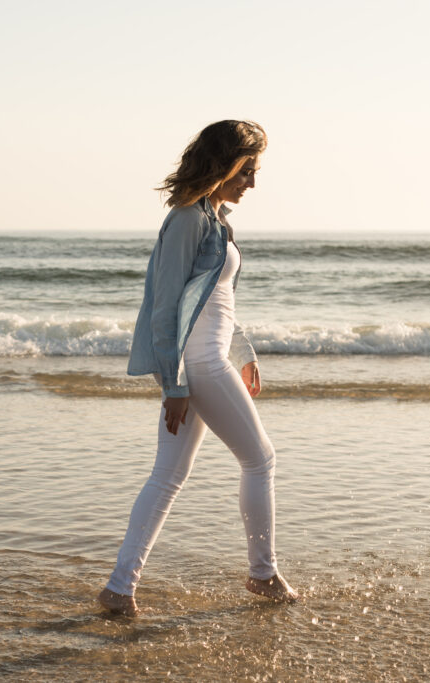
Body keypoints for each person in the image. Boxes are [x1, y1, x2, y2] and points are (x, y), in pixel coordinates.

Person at [98, 120, 298, 617]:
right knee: (261, 459)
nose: (252, 182)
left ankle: (119, 589)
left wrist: (244, 352)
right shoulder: (188, 219)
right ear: (224, 164)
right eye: (247, 170)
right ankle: (263, 574)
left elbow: (218, 299)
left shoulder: (215, 218)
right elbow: (165, 310)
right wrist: (175, 385)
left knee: (167, 475)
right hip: (198, 364)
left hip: (210, 359)